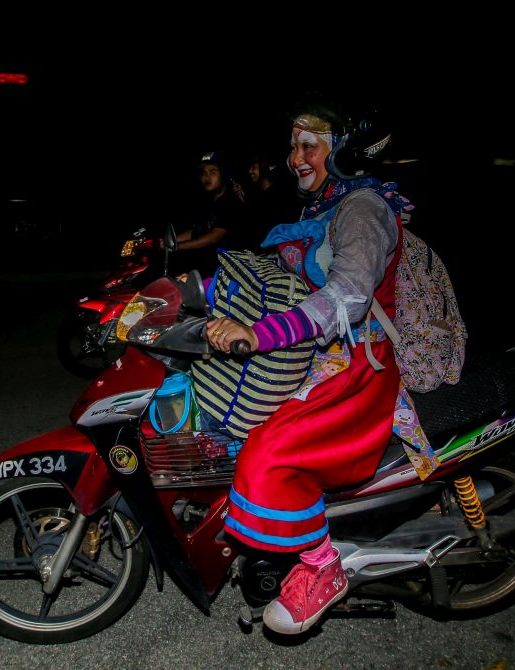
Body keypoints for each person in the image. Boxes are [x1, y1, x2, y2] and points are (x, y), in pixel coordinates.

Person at [204, 101, 417, 635]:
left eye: (308, 145)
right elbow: (276, 281)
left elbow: (346, 296)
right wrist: (202, 292)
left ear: (340, 151)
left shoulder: (363, 208)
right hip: (312, 353)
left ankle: (323, 567)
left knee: (267, 452)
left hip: (355, 364)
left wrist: (259, 334)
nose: (295, 157)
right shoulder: (322, 206)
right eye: (292, 145)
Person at [169, 151, 249, 277]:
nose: (207, 177)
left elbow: (214, 237)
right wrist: (172, 241)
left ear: (224, 175)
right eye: (204, 173)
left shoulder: (231, 202)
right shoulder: (210, 203)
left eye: (213, 172)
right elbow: (197, 230)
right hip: (208, 270)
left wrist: (178, 246)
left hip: (227, 274)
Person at [243, 154, 304, 246]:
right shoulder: (256, 196)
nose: (250, 171)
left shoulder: (281, 195)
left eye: (254, 167)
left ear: (264, 167)